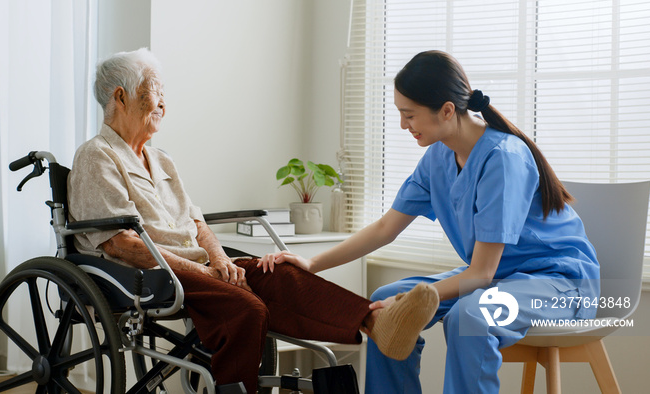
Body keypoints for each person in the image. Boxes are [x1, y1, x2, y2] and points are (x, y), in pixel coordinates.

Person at [67, 48, 438, 394]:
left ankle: (376, 323)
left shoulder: (161, 159)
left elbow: (197, 223)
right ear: (120, 97)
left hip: (189, 264)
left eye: (165, 92)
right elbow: (121, 244)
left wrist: (220, 261)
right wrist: (203, 272)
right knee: (247, 307)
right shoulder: (96, 157)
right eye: (155, 91)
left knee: (277, 274)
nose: (164, 102)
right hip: (141, 272)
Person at [259, 50, 600, 393]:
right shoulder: (438, 157)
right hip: (500, 276)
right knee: (383, 301)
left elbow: (480, 273)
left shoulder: (504, 159)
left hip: (560, 284)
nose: (403, 125)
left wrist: (412, 303)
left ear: (447, 110)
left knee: (470, 319)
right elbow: (385, 228)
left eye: (409, 115)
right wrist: (311, 263)